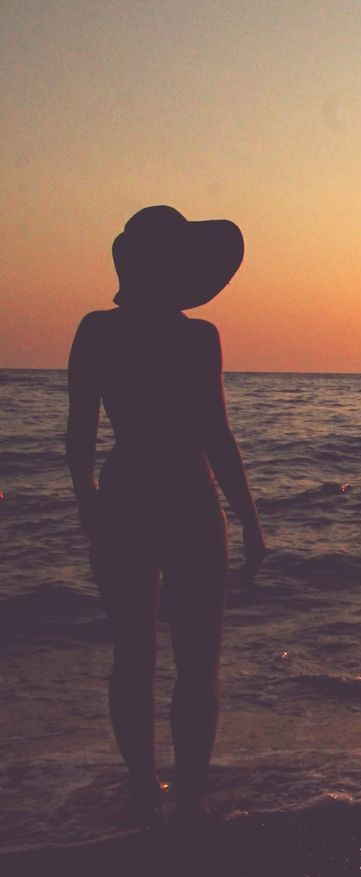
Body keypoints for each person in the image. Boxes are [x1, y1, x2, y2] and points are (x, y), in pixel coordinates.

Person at [65, 205, 266, 824]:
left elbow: (80, 436)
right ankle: (187, 795)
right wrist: (250, 522)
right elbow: (215, 436)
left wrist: (91, 503)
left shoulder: (99, 330)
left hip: (131, 493)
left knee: (139, 654)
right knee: (191, 657)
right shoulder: (193, 336)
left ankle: (153, 789)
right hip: (186, 495)